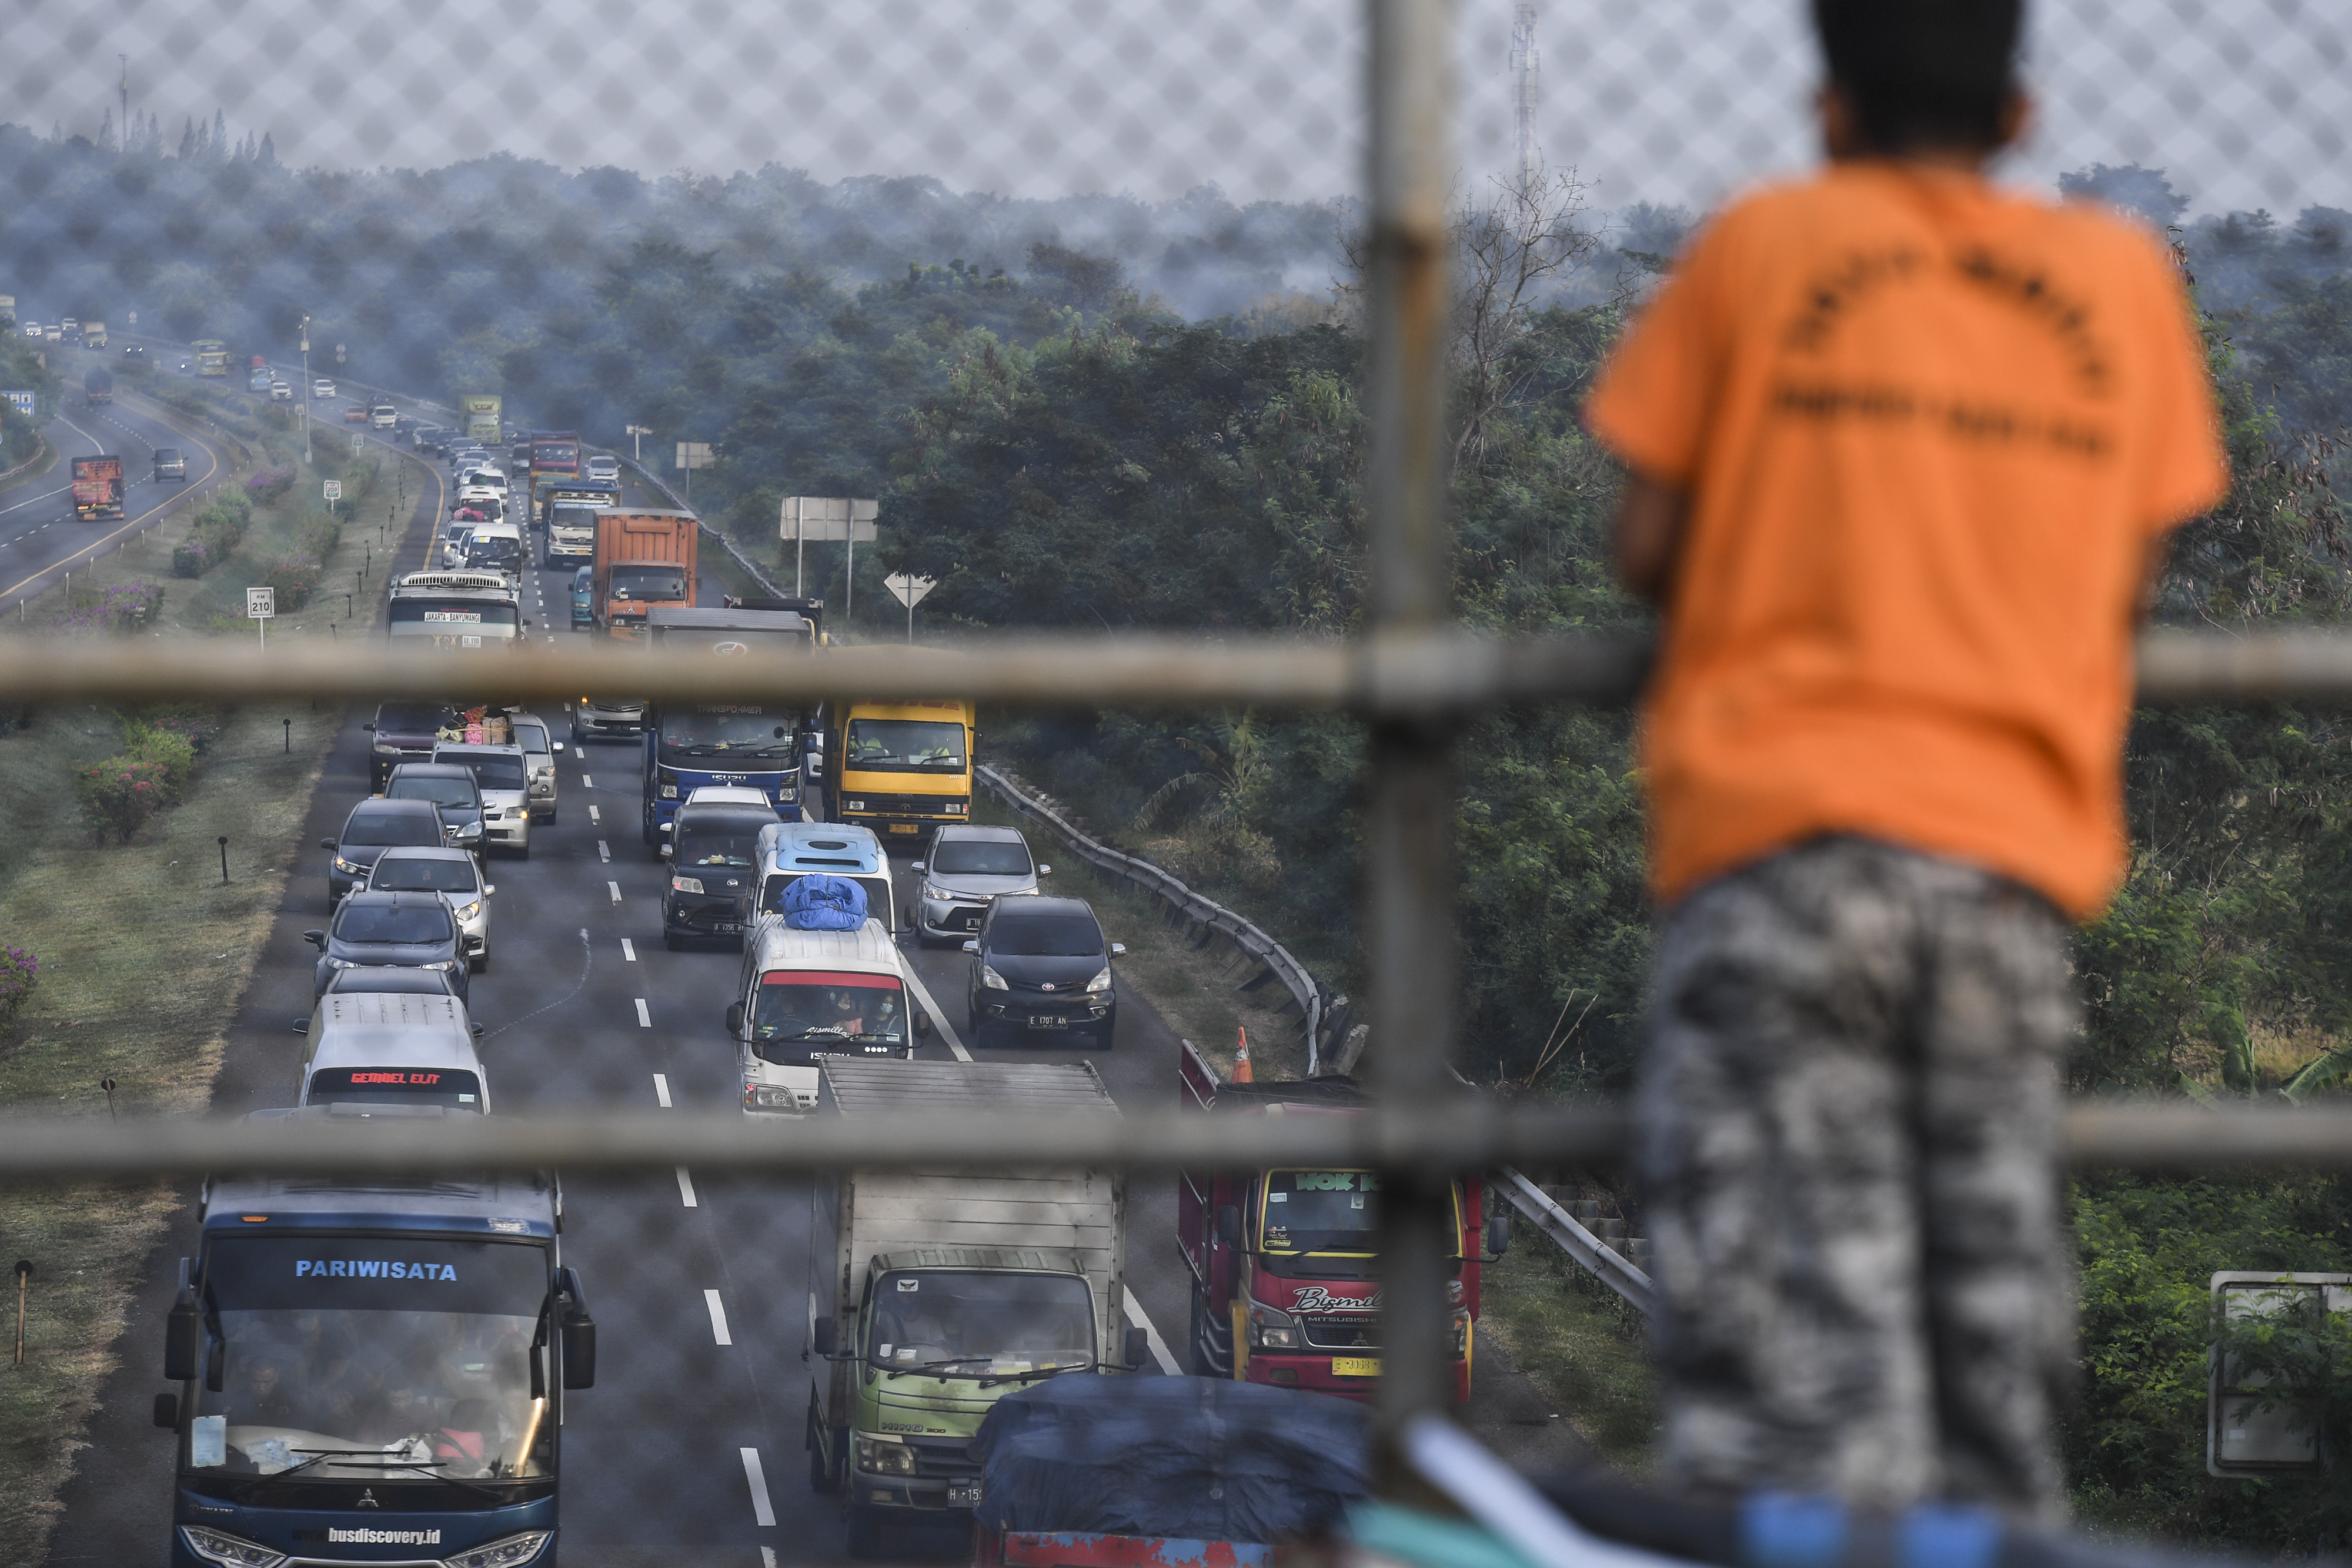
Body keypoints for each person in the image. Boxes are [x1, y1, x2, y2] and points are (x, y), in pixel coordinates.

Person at [1583, 0, 2228, 1521]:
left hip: (1781, 858)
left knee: (1792, 1380)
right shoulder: (2122, 283)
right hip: (2007, 879)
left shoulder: (1761, 248)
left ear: (1827, 108)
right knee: (1989, 1350)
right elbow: (2129, 564)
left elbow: (1646, 543)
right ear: (2020, 116)